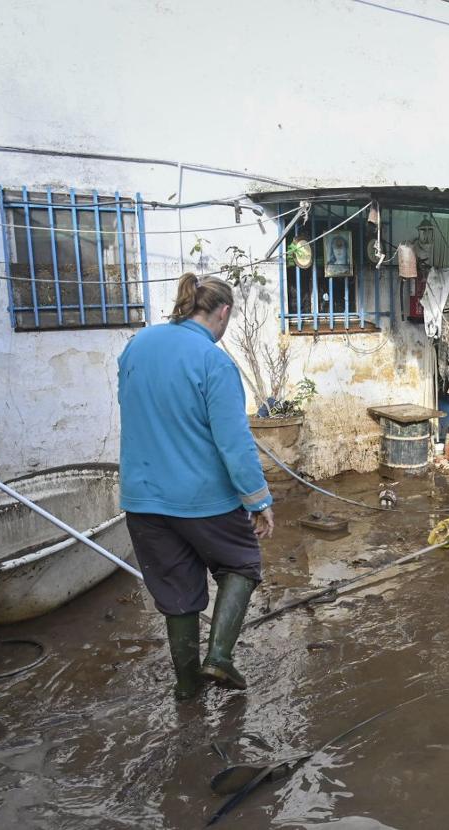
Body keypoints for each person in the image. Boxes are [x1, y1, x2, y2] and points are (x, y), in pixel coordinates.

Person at [118, 273, 275, 700]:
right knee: (241, 563)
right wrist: (258, 499)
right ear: (222, 312)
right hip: (203, 499)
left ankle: (187, 690)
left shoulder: (137, 346)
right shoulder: (213, 360)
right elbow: (234, 441)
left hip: (143, 499)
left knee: (177, 594)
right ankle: (219, 658)